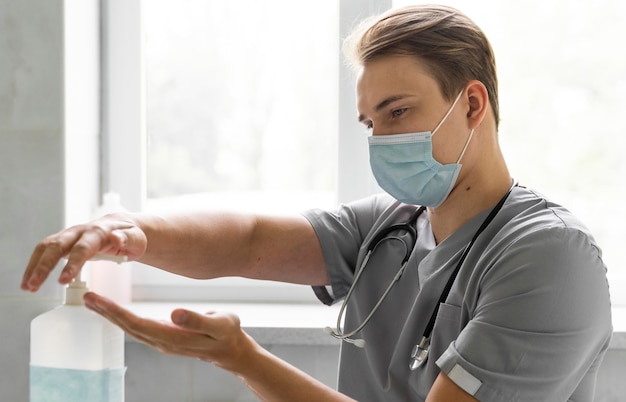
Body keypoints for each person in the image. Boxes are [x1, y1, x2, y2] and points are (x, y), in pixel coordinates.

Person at [21, 5, 612, 401]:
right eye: (369, 122)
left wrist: (244, 359)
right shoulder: (393, 228)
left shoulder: (549, 256)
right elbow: (249, 239)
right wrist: (129, 232)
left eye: (399, 112)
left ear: (473, 105)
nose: (382, 138)